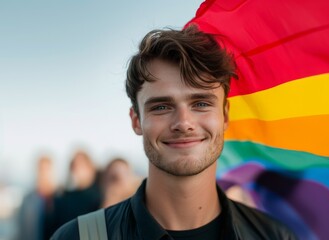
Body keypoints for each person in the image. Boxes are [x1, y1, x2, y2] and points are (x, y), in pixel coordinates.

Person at [51, 25, 297, 239]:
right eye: (161, 107)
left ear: (224, 116)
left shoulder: (275, 236)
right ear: (136, 120)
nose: (183, 122)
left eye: (201, 103)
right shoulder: (77, 237)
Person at [49, 150, 102, 236]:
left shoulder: (99, 197)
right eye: (73, 166)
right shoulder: (63, 199)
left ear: (90, 168)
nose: (76, 170)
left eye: (80, 166)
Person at [16, 155, 57, 240]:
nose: (43, 173)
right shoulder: (28, 200)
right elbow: (21, 230)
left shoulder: (60, 197)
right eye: (41, 169)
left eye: (46, 169)